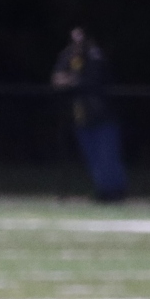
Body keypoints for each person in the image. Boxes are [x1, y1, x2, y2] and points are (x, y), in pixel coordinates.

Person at [51, 27, 128, 202]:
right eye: (73, 39)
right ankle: (104, 191)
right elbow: (57, 79)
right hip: (81, 117)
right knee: (92, 156)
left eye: (81, 38)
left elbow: (91, 80)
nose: (77, 43)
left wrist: (71, 80)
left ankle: (116, 191)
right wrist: (71, 80)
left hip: (103, 115)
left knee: (107, 156)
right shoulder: (68, 55)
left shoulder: (95, 55)